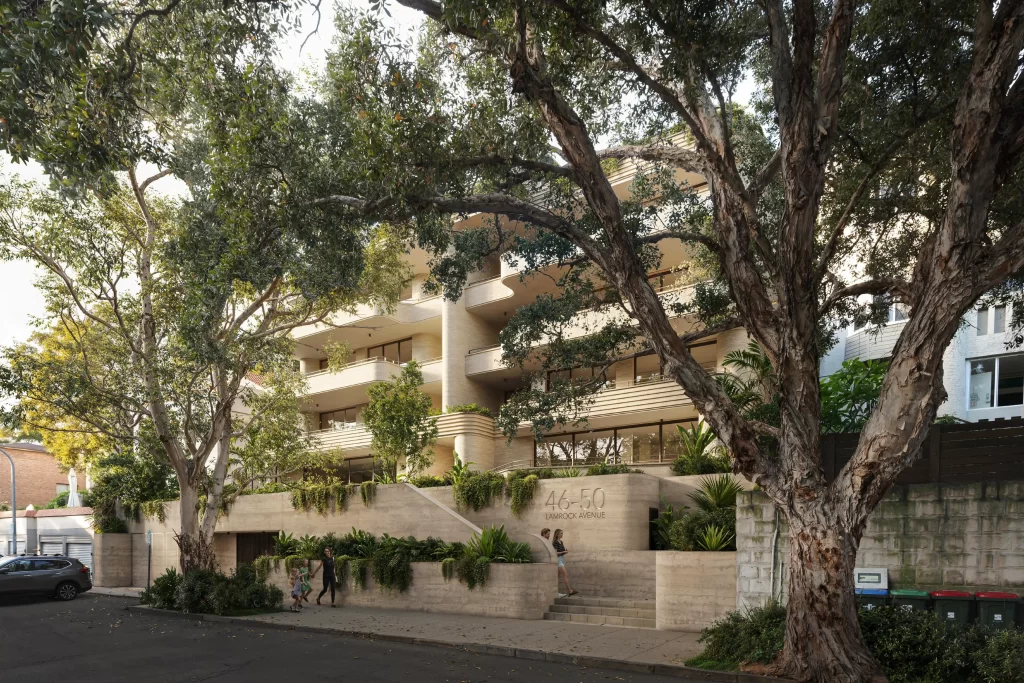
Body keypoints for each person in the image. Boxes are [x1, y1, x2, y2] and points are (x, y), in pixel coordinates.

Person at [551, 528, 577, 598]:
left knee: (558, 577)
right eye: (561, 533)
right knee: (565, 574)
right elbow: (555, 553)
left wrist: (565, 551)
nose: (562, 534)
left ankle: (555, 591)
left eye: (562, 533)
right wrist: (563, 552)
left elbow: (562, 551)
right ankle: (570, 591)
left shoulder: (561, 542)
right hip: (558, 559)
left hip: (562, 559)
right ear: (557, 534)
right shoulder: (555, 542)